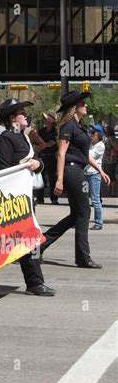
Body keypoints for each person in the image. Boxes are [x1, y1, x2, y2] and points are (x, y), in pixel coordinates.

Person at [39, 91, 110, 269]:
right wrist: (59, 179)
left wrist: (100, 170)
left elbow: (84, 154)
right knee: (84, 212)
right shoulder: (68, 126)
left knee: (75, 215)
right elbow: (61, 154)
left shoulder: (80, 127)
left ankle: (40, 246)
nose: (86, 106)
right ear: (74, 108)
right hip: (71, 171)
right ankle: (83, 258)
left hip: (78, 169)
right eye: (82, 104)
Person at [0, 98, 56, 296]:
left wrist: (38, 165)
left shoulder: (23, 136)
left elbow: (36, 161)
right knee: (28, 239)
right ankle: (35, 283)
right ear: (12, 118)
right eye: (21, 112)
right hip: (13, 200)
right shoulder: (5, 139)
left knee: (14, 241)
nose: (26, 115)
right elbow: (3, 170)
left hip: (26, 196)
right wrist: (22, 168)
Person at [85, 124, 106, 231]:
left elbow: (89, 156)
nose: (90, 134)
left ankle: (98, 222)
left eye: (93, 132)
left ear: (99, 134)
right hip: (85, 174)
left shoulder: (100, 145)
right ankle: (83, 220)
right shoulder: (89, 143)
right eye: (90, 132)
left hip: (94, 175)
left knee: (95, 199)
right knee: (83, 198)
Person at [37, 113, 58, 204]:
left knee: (52, 178)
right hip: (42, 157)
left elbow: (52, 143)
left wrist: (42, 145)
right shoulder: (41, 131)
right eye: (44, 119)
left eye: (47, 119)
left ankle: (54, 198)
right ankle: (40, 198)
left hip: (52, 157)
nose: (45, 121)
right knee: (40, 178)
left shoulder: (56, 131)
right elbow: (37, 142)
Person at [103, 126, 117, 198]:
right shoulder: (107, 139)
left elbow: (116, 147)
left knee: (111, 176)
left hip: (111, 160)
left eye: (106, 130)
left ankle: (112, 192)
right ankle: (109, 191)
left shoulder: (112, 139)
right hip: (106, 159)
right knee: (108, 175)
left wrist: (111, 143)